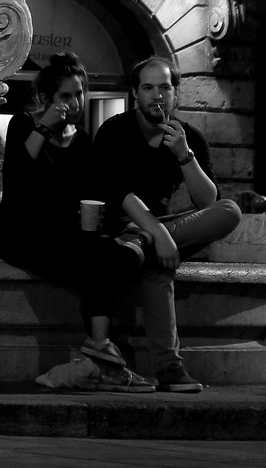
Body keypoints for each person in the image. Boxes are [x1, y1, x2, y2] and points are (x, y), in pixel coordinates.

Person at [0, 52, 154, 390]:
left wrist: (116, 224)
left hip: (66, 234)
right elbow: (17, 176)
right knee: (101, 259)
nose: (75, 102)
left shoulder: (83, 141)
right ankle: (102, 352)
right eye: (66, 95)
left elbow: (93, 193)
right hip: (24, 234)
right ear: (47, 98)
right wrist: (43, 126)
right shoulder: (24, 124)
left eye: (79, 93)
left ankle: (99, 347)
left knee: (106, 254)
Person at [93, 55, 243, 393]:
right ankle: (170, 369)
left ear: (176, 94)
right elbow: (113, 192)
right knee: (158, 268)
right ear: (135, 93)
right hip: (124, 224)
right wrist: (158, 234)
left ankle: (145, 243)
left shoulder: (187, 136)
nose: (157, 95)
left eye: (165, 87)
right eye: (148, 88)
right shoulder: (115, 130)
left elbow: (208, 202)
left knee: (231, 209)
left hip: (151, 233)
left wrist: (184, 155)